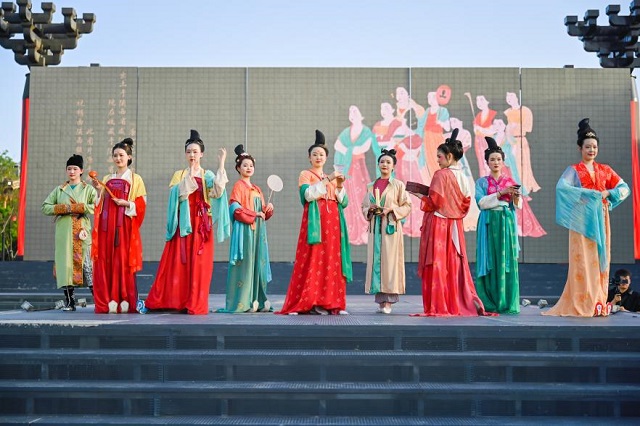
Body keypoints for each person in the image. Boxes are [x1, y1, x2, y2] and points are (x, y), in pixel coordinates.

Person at [543, 119, 630, 317]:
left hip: (601, 219)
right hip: (581, 220)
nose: (592, 150)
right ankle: (582, 301)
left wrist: (608, 193)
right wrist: (587, 194)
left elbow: (624, 188)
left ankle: (598, 299)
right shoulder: (574, 170)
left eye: (594, 147)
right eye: (588, 146)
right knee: (582, 260)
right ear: (580, 148)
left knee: (599, 258)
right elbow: (562, 188)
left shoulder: (605, 170)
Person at [144, 130, 229, 315]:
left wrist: (221, 163)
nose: (192, 155)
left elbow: (217, 192)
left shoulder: (207, 175)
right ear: (185, 154)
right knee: (177, 263)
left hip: (201, 224)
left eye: (195, 152)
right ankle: (174, 301)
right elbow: (176, 195)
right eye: (189, 151)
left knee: (200, 265)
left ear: (201, 154)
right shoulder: (179, 174)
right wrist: (188, 177)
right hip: (183, 224)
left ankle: (195, 303)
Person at [411, 129, 492, 317]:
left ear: (449, 156)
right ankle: (455, 302)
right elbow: (465, 202)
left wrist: (419, 195)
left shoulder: (441, 175)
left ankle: (439, 304)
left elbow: (435, 202)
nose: (437, 160)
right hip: (455, 225)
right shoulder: (463, 177)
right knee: (453, 265)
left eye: (439, 157)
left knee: (437, 264)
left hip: (439, 225)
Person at [276, 130, 351, 315]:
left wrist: (339, 185)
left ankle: (333, 303)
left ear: (326, 158)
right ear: (309, 157)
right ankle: (311, 301)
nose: (318, 157)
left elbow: (343, 201)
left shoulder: (332, 179)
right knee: (314, 260)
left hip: (333, 224)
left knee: (333, 261)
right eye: (315, 154)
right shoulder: (306, 174)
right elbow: (308, 195)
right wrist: (328, 180)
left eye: (321, 154)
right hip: (316, 224)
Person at [92, 138, 147, 314]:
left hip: (124, 226)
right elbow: (99, 203)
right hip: (107, 226)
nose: (118, 158)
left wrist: (127, 203)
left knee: (122, 260)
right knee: (107, 260)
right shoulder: (107, 178)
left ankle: (125, 298)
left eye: (121, 155)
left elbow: (142, 204)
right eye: (115, 155)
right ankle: (109, 299)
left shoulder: (136, 179)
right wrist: (98, 190)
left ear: (129, 157)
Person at [219, 145, 274, 313]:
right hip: (245, 232)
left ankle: (257, 299)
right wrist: (254, 214)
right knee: (246, 264)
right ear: (238, 168)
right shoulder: (238, 186)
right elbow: (235, 209)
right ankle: (244, 301)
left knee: (258, 263)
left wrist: (268, 209)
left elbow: (262, 212)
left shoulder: (257, 189)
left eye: (251, 165)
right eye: (245, 165)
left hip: (258, 233)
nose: (248, 168)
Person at [42, 154, 97, 311]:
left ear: (81, 171)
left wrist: (79, 207)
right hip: (64, 233)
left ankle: (99, 301)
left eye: (75, 169)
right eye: (69, 169)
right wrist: (62, 208)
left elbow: (97, 206)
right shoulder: (59, 190)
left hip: (81, 231)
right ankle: (70, 302)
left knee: (87, 265)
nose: (72, 172)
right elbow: (45, 207)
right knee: (65, 265)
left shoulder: (88, 189)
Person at [475, 137, 522, 314]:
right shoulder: (481, 182)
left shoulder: (510, 181)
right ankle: (489, 301)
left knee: (505, 259)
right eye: (492, 159)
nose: (496, 162)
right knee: (489, 259)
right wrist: (501, 193)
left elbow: (517, 206)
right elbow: (481, 203)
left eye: (499, 159)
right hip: (489, 223)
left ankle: (506, 301)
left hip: (505, 222)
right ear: (487, 162)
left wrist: (515, 197)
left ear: (503, 162)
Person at [362, 149, 412, 314]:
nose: (385, 164)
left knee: (389, 264)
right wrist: (370, 209)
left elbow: (407, 206)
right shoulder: (371, 186)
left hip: (390, 229)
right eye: (382, 161)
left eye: (388, 162)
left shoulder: (398, 185)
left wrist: (391, 210)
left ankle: (389, 301)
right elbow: (363, 206)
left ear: (393, 166)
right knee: (377, 262)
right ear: (378, 164)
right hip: (375, 229)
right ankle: (380, 301)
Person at [334, 105, 375, 245]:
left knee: (361, 195)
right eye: (350, 112)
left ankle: (365, 228)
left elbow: (362, 148)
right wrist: (350, 150)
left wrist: (347, 149)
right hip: (347, 169)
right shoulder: (346, 132)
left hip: (359, 168)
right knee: (349, 196)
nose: (353, 113)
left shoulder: (366, 131)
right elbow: (337, 145)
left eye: (355, 111)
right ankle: (351, 230)